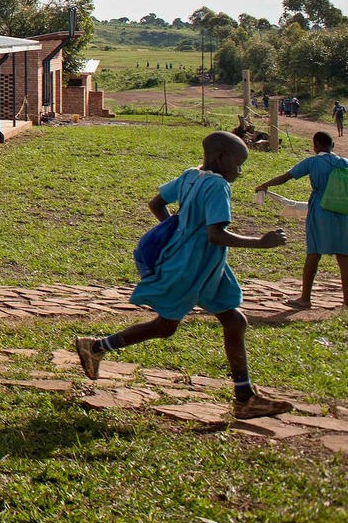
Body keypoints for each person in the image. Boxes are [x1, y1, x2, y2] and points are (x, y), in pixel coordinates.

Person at [75, 131, 293, 420]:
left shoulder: (191, 176)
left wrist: (179, 232)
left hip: (202, 267)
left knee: (233, 320)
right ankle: (96, 347)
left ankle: (245, 397)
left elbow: (156, 203)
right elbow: (216, 235)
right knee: (168, 326)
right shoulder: (217, 186)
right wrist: (260, 243)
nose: (240, 172)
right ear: (220, 158)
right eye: (239, 165)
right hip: (193, 268)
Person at [253, 131, 348, 310]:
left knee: (313, 252)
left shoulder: (311, 162)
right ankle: (347, 301)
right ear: (333, 146)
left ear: (315, 146)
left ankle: (305, 298)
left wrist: (265, 185)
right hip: (343, 210)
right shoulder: (344, 162)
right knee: (344, 255)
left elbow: (286, 177)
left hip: (320, 210)